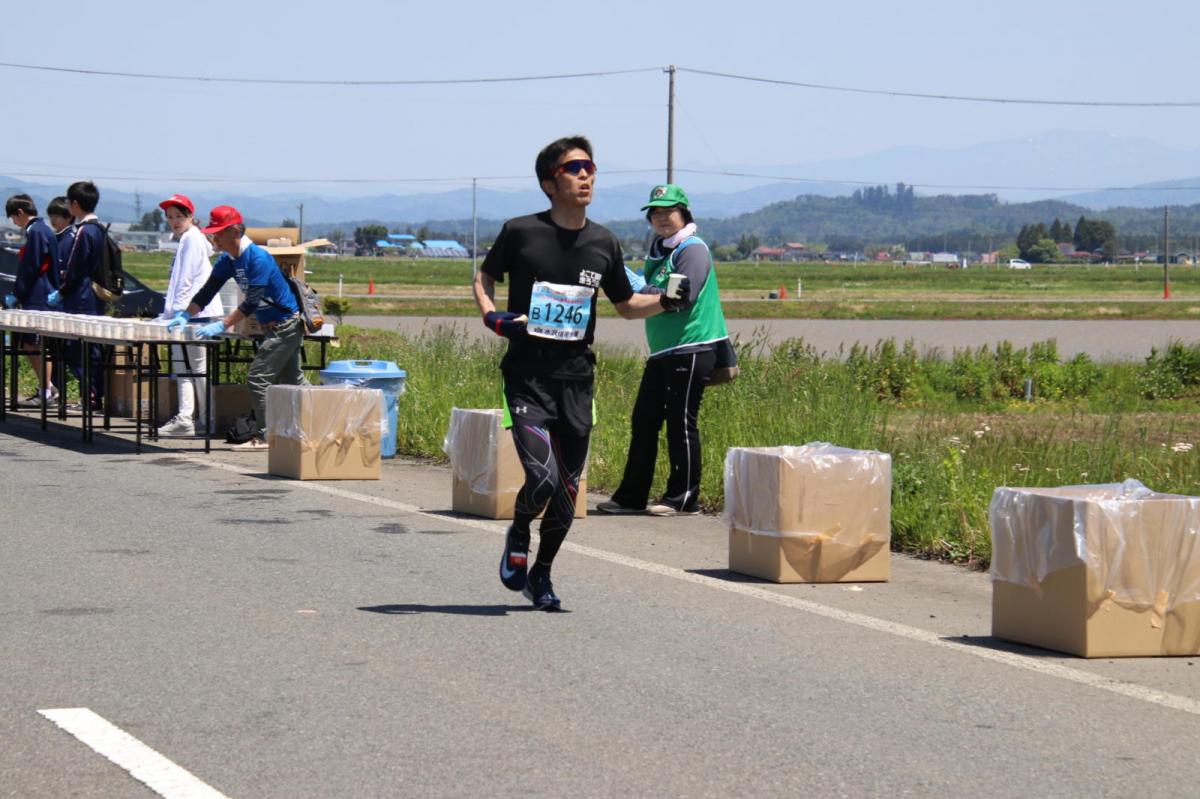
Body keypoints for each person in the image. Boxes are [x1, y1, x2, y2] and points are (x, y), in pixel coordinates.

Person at [472, 135, 687, 610]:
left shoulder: (603, 241)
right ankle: (519, 531)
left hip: (576, 380)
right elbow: (483, 276)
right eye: (574, 168)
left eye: (590, 166)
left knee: (568, 489)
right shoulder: (520, 231)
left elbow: (626, 304)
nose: (586, 175)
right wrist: (492, 316)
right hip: (527, 376)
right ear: (550, 183)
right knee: (542, 479)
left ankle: (542, 574)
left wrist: (667, 302)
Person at [598, 184, 730, 517]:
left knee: (680, 422)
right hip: (663, 351)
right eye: (655, 213)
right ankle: (631, 496)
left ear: (683, 213)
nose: (661, 218)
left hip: (692, 346)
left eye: (668, 211)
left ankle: (683, 497)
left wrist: (640, 287)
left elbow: (680, 295)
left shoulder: (692, 249)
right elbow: (662, 292)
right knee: (644, 420)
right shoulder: (661, 251)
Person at [166, 205, 307, 451]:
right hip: (274, 325)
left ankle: (266, 435)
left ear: (234, 231)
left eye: (218, 232)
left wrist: (222, 324)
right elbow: (207, 291)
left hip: (286, 323)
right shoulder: (228, 260)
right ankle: (320, 422)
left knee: (257, 378)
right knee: (292, 381)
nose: (214, 238)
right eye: (212, 233)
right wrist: (186, 315)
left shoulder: (257, 258)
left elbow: (252, 301)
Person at [156, 194, 223, 437]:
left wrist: (179, 312)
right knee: (188, 367)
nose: (174, 221)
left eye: (179, 216)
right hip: (191, 313)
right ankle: (196, 418)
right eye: (170, 217)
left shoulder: (192, 239)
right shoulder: (190, 238)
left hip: (194, 314)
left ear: (191, 217)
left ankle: (198, 418)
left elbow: (185, 279)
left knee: (192, 368)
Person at [49, 181, 106, 409]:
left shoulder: (84, 231)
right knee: (91, 349)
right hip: (94, 297)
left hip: (81, 298)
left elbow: (76, 268)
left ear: (74, 204)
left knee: (77, 350)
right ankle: (94, 396)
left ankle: (90, 396)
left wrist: (62, 291)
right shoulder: (99, 228)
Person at [4, 194, 60, 407]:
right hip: (43, 294)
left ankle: (46, 390)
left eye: (13, 217)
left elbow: (31, 266)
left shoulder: (36, 231)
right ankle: (47, 387)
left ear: (20, 213)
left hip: (38, 295)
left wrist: (18, 293)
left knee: (34, 344)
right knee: (32, 344)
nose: (14, 222)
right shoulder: (42, 229)